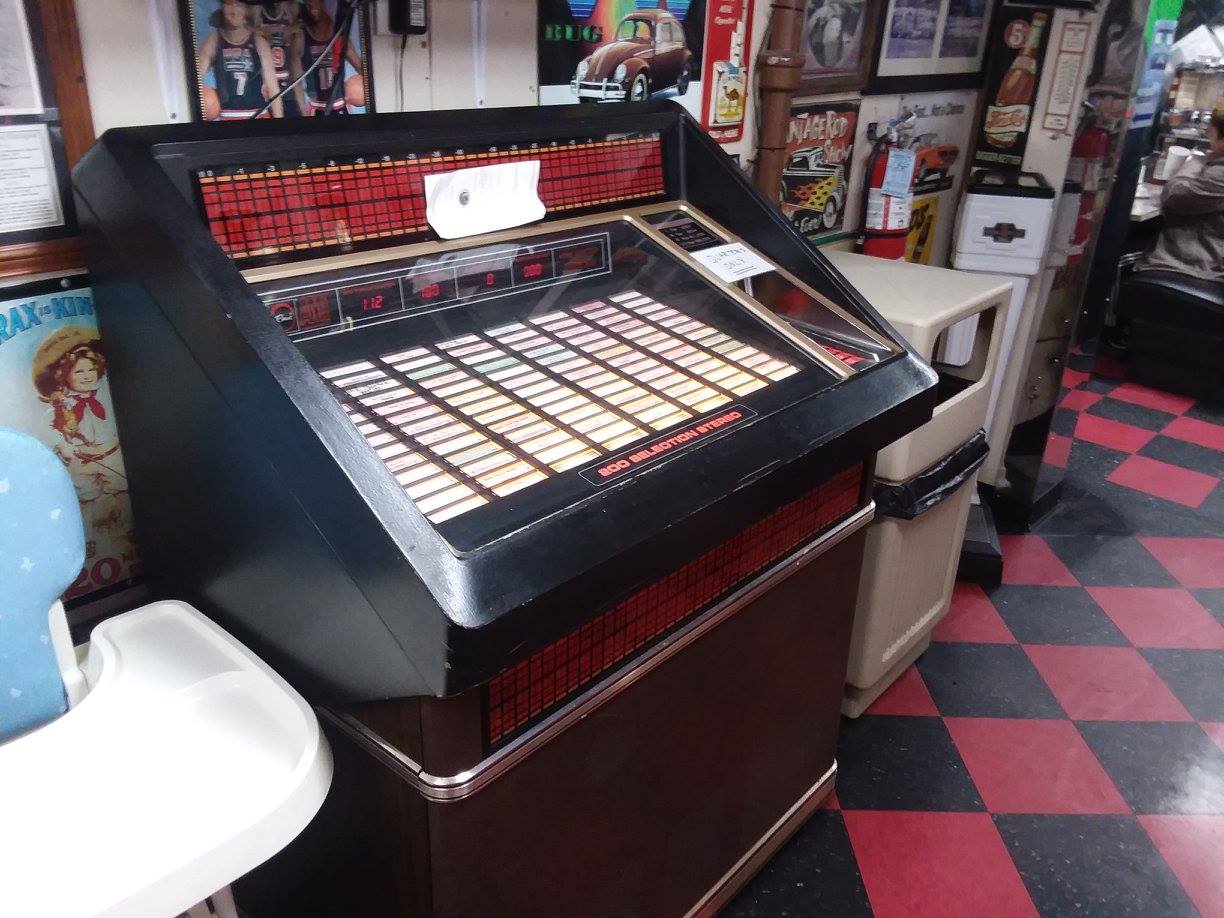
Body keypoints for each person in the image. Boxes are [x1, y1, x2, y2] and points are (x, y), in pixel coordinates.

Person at [1138, 105, 1224, 281]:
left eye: (1211, 132)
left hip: (1194, 268)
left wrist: (1198, 160)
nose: (1208, 137)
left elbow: (1173, 198)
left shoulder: (1219, 173)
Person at [197, 0, 283, 119]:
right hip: (228, 117)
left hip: (258, 115)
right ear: (222, 7)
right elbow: (194, 80)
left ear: (246, 9)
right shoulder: (213, 41)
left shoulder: (259, 42)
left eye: (239, 5)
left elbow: (273, 88)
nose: (234, 10)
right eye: (229, 4)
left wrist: (279, 123)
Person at [301, 0, 363, 115]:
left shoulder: (339, 35)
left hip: (340, 105)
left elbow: (360, 67)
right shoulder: (301, 35)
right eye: (307, 4)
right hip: (316, 108)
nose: (311, 7)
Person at [256, 2, 308, 117]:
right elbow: (242, 26)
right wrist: (259, 32)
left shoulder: (291, 7)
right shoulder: (256, 9)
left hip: (288, 87)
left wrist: (293, 29)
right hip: (265, 88)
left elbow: (308, 22)